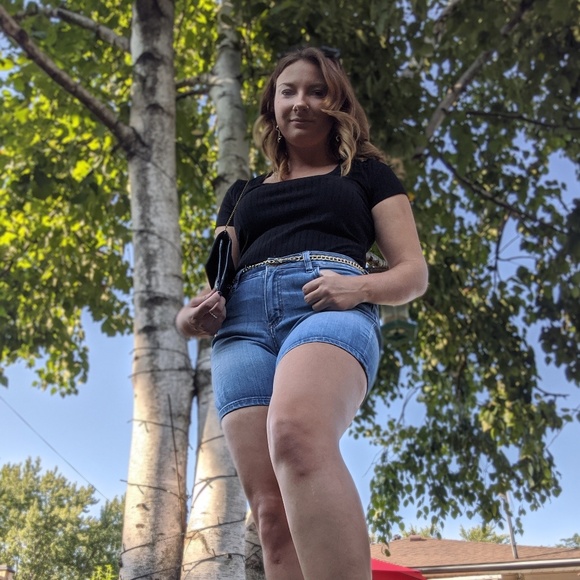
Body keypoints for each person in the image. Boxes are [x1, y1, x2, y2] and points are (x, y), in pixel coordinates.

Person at [176, 46, 428, 580]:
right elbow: (213, 284)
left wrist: (358, 287)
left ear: (337, 104)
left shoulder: (369, 174)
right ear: (272, 105)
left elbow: (412, 273)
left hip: (327, 301)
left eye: (317, 91)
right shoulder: (242, 193)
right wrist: (190, 317)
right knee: (270, 514)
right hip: (241, 327)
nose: (300, 102)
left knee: (295, 436)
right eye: (288, 91)